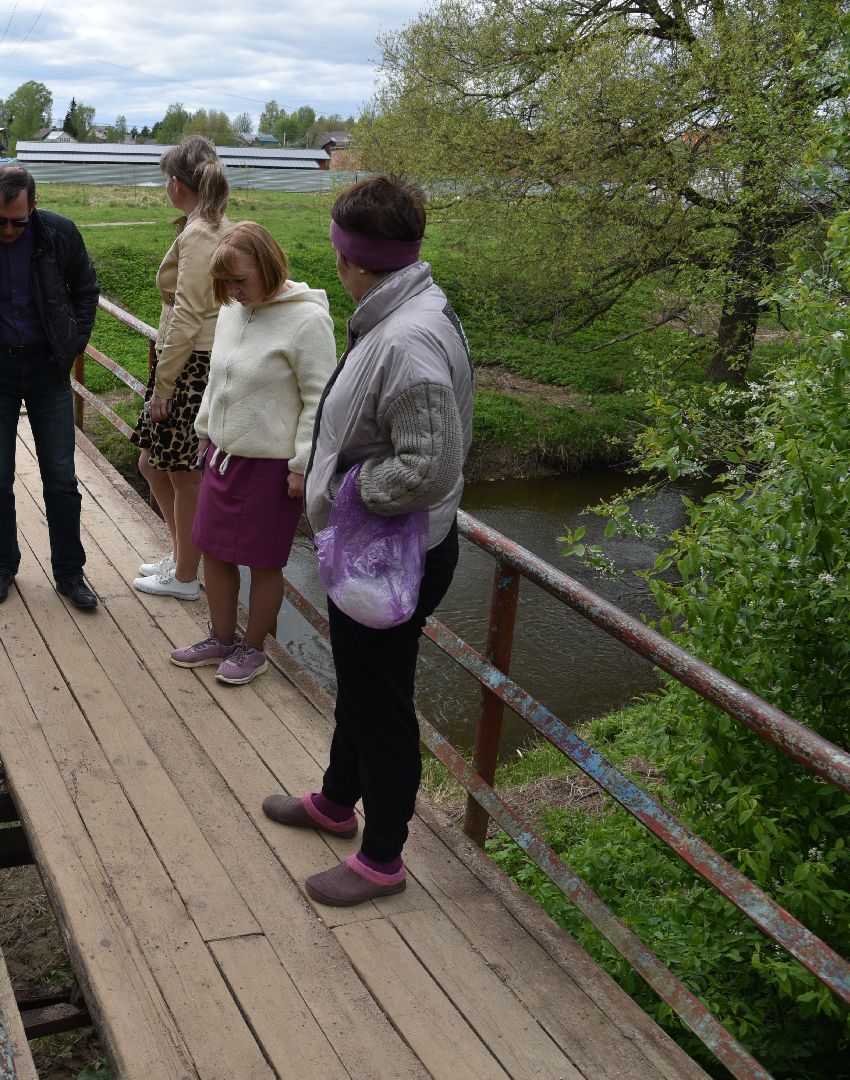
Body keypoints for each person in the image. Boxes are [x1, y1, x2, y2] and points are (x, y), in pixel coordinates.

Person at [261, 175, 474, 907]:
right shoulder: (404, 309)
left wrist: (350, 496)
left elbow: (429, 465)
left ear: (350, 257)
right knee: (359, 681)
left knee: (381, 700)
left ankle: (383, 857)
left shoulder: (407, 339)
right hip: (379, 548)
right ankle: (335, 799)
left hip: (392, 554)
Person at [169, 222, 336, 685]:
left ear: (267, 266)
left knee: (264, 562)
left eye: (240, 280)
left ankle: (254, 649)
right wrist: (204, 431)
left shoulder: (308, 321)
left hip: (273, 467)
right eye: (224, 282)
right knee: (213, 551)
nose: (232, 291)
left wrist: (302, 465)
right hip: (223, 456)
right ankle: (222, 639)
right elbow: (217, 379)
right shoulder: (231, 312)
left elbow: (319, 401)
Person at [0, 165, 102, 611]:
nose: (8, 231)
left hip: (48, 369)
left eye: (19, 222)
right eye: (0, 221)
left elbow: (86, 290)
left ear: (34, 208)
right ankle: (2, 567)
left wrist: (73, 343)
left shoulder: (60, 234)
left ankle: (70, 573)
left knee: (61, 478)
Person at [129, 136, 230, 601]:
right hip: (186, 360)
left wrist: (164, 386)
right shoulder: (207, 224)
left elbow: (188, 316)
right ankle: (180, 556)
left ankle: (186, 577)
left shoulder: (199, 234)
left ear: (174, 183)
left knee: (183, 474)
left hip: (190, 366)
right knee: (153, 463)